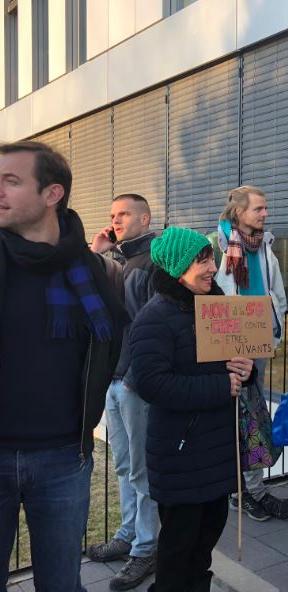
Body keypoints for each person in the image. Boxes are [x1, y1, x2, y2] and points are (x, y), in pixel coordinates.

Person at [0, 141, 126, 592]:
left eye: (10, 181)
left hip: (64, 458)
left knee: (61, 584)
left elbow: (118, 346)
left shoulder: (97, 272)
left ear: (52, 194)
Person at [129, 226, 254, 592]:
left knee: (203, 546)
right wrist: (222, 385)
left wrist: (245, 372)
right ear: (176, 267)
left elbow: (232, 362)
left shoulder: (216, 309)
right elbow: (152, 384)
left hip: (216, 449)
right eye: (201, 260)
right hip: (180, 454)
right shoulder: (154, 318)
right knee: (178, 549)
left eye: (210, 258)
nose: (212, 267)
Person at [87, 194, 159, 589]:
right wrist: (98, 254)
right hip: (113, 379)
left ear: (144, 217)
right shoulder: (116, 260)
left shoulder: (153, 260)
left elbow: (151, 326)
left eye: (124, 214)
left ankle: (147, 547)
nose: (116, 220)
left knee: (141, 469)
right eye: (112, 215)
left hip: (133, 381)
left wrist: (133, 374)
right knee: (121, 465)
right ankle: (129, 534)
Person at [214, 185, 288, 522]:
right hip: (230, 344)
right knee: (235, 418)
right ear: (239, 213)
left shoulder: (265, 247)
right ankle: (239, 491)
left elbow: (274, 291)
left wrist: (273, 332)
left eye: (265, 208)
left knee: (255, 418)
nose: (265, 214)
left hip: (258, 341)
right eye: (258, 209)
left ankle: (253, 488)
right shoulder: (216, 245)